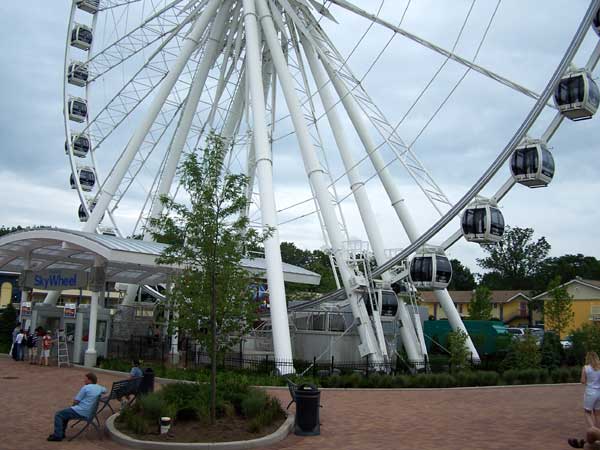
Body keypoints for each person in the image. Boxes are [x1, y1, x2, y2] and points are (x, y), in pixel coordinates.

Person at [47, 372, 106, 442]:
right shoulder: (99, 387)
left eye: (86, 379)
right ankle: (61, 433)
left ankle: (57, 436)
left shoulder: (86, 388)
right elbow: (105, 390)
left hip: (81, 411)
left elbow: (76, 401)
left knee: (59, 414)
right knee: (65, 414)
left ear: (90, 380)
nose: (84, 380)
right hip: (89, 412)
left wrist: (72, 407)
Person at [582, 352, 600, 427]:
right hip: (599, 392)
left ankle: (593, 430)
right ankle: (598, 432)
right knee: (597, 414)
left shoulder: (585, 367)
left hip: (590, 392)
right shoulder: (599, 367)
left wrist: (588, 382)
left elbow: (582, 381)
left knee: (587, 412)